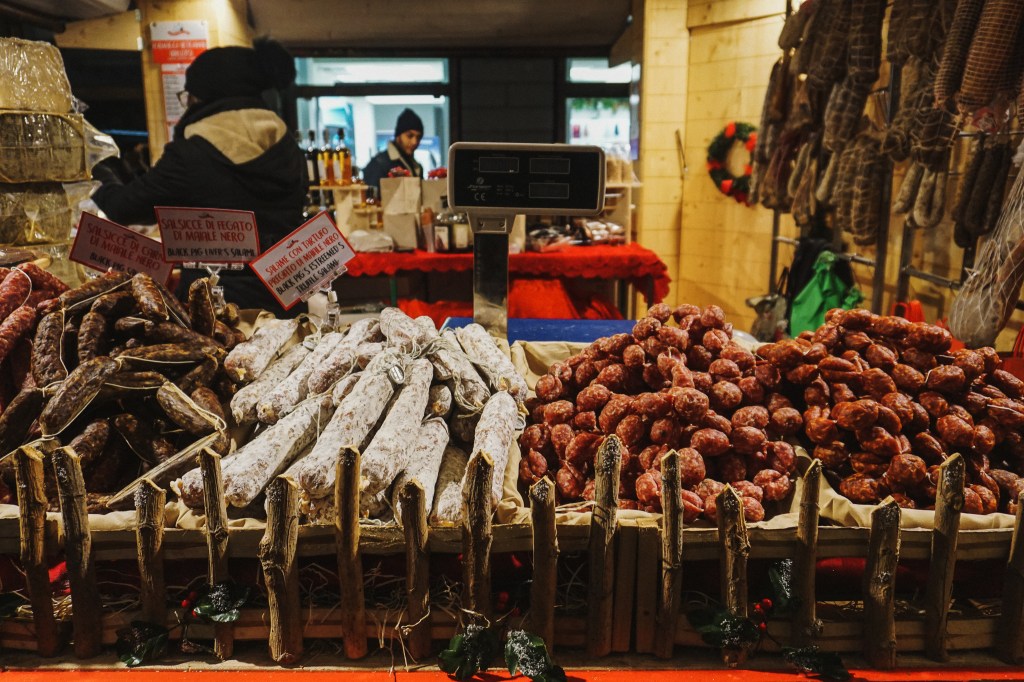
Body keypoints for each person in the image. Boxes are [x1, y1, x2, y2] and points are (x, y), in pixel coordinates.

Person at [91, 37, 306, 317]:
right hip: (287, 295)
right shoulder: (288, 146)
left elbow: (124, 206)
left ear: (202, 96)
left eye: (189, 95)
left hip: (219, 311)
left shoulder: (191, 154)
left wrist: (96, 167)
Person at [362, 108, 424, 194]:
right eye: (409, 136)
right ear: (398, 136)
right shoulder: (379, 164)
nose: (415, 142)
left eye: (418, 137)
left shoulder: (416, 166)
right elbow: (370, 198)